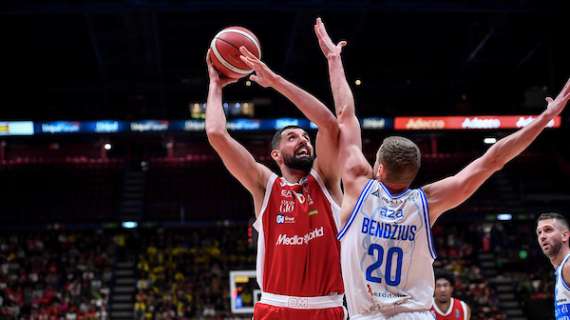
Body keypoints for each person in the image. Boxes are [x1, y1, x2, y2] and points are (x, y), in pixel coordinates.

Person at [314, 17, 570, 319]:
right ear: (414, 172)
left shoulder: (358, 185)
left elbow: (345, 115)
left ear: (378, 168)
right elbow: (494, 159)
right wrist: (542, 120)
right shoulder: (426, 201)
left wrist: (333, 59)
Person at [205, 45, 345, 319]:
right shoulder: (265, 186)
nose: (303, 140)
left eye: (305, 136)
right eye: (292, 137)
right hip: (275, 307)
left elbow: (329, 124)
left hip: (326, 307)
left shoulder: (326, 179)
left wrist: (275, 82)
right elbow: (215, 133)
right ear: (276, 155)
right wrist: (215, 85)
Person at [536, 212, 570, 319]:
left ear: (564, 235)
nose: (542, 236)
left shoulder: (568, 266)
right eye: (539, 232)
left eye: (548, 230)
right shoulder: (561, 268)